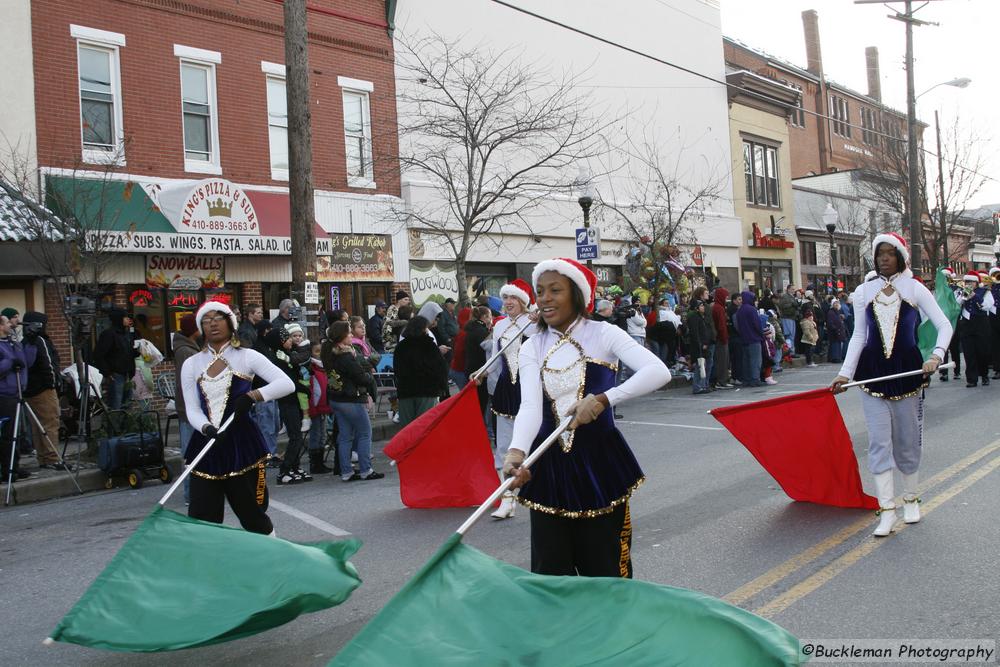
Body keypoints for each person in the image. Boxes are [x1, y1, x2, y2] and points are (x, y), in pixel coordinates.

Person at [504, 257, 670, 577]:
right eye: (541, 291)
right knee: (551, 572)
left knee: (606, 569)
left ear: (577, 295)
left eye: (556, 290)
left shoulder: (603, 334)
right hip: (550, 467)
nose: (546, 298)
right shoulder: (532, 346)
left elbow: (658, 371)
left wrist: (604, 399)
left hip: (600, 466)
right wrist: (516, 452)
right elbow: (530, 409)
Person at [831, 233, 952, 537]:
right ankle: (887, 509)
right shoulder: (863, 291)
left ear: (900, 256)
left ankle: (910, 499)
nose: (884, 258)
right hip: (873, 375)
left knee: (908, 441)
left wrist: (936, 356)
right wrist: (845, 373)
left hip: (907, 374)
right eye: (879, 253)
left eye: (890, 253)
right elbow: (859, 335)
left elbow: (944, 324)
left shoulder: (914, 287)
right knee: (878, 443)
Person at [180, 302, 295, 535]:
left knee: (252, 514)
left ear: (231, 323)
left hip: (242, 444)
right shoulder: (191, 364)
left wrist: (253, 396)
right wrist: (205, 427)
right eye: (206, 319)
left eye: (218, 317)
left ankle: (271, 559)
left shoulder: (247, 356)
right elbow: (191, 408)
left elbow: (286, 384)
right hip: (207, 444)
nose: (212, 323)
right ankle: (211, 567)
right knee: (203, 519)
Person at [488, 279, 537, 519]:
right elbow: (495, 362)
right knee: (504, 448)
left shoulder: (536, 323)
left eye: (513, 298)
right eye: (505, 298)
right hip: (506, 392)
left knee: (539, 445)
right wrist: (483, 373)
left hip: (533, 391)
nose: (508, 302)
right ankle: (507, 500)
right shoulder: (499, 326)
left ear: (523, 302)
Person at [323, 321, 384, 482]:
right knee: (364, 433)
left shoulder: (331, 353)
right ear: (342, 337)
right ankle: (366, 469)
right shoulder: (346, 356)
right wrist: (369, 377)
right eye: (348, 332)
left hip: (337, 398)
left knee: (345, 436)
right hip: (351, 399)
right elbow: (361, 377)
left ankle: (346, 471)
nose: (351, 335)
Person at [263, 325, 311, 485]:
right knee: (295, 436)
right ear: (280, 341)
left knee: (297, 435)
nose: (291, 340)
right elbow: (288, 380)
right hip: (286, 401)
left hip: (294, 399)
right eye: (287, 338)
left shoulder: (287, 355)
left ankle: (295, 467)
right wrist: (304, 389)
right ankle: (284, 470)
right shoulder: (277, 358)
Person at [20, 312, 67, 470]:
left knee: (37, 425)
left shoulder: (25, 341)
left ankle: (43, 458)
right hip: (44, 389)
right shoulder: (40, 341)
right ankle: (52, 458)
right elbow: (47, 365)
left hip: (30, 390)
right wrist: (54, 384)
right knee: (51, 423)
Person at [393, 316, 448, 426]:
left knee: (407, 429)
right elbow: (440, 368)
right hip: (427, 391)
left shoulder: (401, 347)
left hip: (406, 392)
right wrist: (443, 388)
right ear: (423, 329)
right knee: (424, 426)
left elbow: (397, 370)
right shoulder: (429, 346)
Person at [172, 313, 200, 503]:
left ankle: (199, 491)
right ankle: (191, 493)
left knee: (197, 450)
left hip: (194, 408)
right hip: (189, 408)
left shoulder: (190, 348)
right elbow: (189, 381)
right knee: (191, 451)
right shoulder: (185, 351)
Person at [0, 314, 29, 481]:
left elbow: (25, 362)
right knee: (7, 434)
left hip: (17, 391)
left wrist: (28, 343)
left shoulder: (13, 343)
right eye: (6, 322)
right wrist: (10, 361)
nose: (11, 324)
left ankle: (15, 466)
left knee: (17, 433)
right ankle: (7, 469)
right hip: (4, 394)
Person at [92, 308, 138, 409]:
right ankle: (115, 424)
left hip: (128, 374)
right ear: (119, 319)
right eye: (125, 317)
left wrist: (138, 351)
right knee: (116, 406)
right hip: (116, 374)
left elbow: (128, 352)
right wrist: (107, 372)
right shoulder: (109, 334)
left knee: (127, 405)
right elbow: (98, 355)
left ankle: (126, 425)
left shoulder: (127, 334)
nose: (127, 320)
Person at [956, 271, 994, 388]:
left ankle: (984, 375)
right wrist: (963, 297)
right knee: (969, 352)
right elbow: (956, 306)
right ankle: (971, 379)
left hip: (981, 324)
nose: (969, 284)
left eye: (971, 282)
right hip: (966, 324)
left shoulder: (985, 292)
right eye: (967, 282)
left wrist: (975, 296)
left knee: (982, 352)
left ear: (977, 282)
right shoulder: (962, 292)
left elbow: (987, 306)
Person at [306, 340, 334, 475]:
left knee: (322, 434)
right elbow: (312, 392)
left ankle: (320, 461)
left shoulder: (323, 367)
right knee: (315, 434)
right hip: (315, 407)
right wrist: (312, 409)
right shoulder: (312, 368)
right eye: (317, 352)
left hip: (323, 406)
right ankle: (315, 463)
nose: (319, 355)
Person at [463, 306, 493, 415]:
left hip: (470, 367)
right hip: (479, 371)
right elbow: (489, 349)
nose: (492, 319)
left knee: (476, 403)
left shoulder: (471, 328)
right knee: (481, 404)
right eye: (490, 316)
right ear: (485, 317)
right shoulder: (482, 331)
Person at [734, 291, 764, 387]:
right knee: (755, 360)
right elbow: (757, 324)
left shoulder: (739, 310)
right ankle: (755, 379)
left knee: (746, 361)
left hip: (744, 338)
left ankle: (746, 379)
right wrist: (761, 333)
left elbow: (737, 326)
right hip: (754, 338)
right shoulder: (752, 309)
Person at [686, 299, 712, 395]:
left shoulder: (701, 317)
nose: (703, 307)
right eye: (701, 306)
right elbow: (695, 333)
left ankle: (702, 385)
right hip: (698, 347)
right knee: (699, 366)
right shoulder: (694, 318)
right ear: (696, 308)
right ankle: (697, 387)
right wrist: (700, 344)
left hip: (703, 345)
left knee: (703, 366)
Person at [777, 286, 799, 355]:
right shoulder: (785, 297)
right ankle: (789, 352)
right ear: (788, 289)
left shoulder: (791, 297)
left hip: (792, 317)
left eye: (794, 289)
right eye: (792, 289)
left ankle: (791, 351)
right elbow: (781, 306)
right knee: (789, 335)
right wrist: (791, 304)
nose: (794, 290)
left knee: (792, 335)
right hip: (787, 317)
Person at [826, 299, 847, 364]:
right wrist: (835, 328)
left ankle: (837, 357)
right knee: (834, 345)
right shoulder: (831, 312)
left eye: (837, 303)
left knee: (837, 344)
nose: (836, 304)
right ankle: (834, 358)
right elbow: (830, 322)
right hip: (834, 331)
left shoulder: (837, 312)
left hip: (838, 331)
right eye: (835, 303)